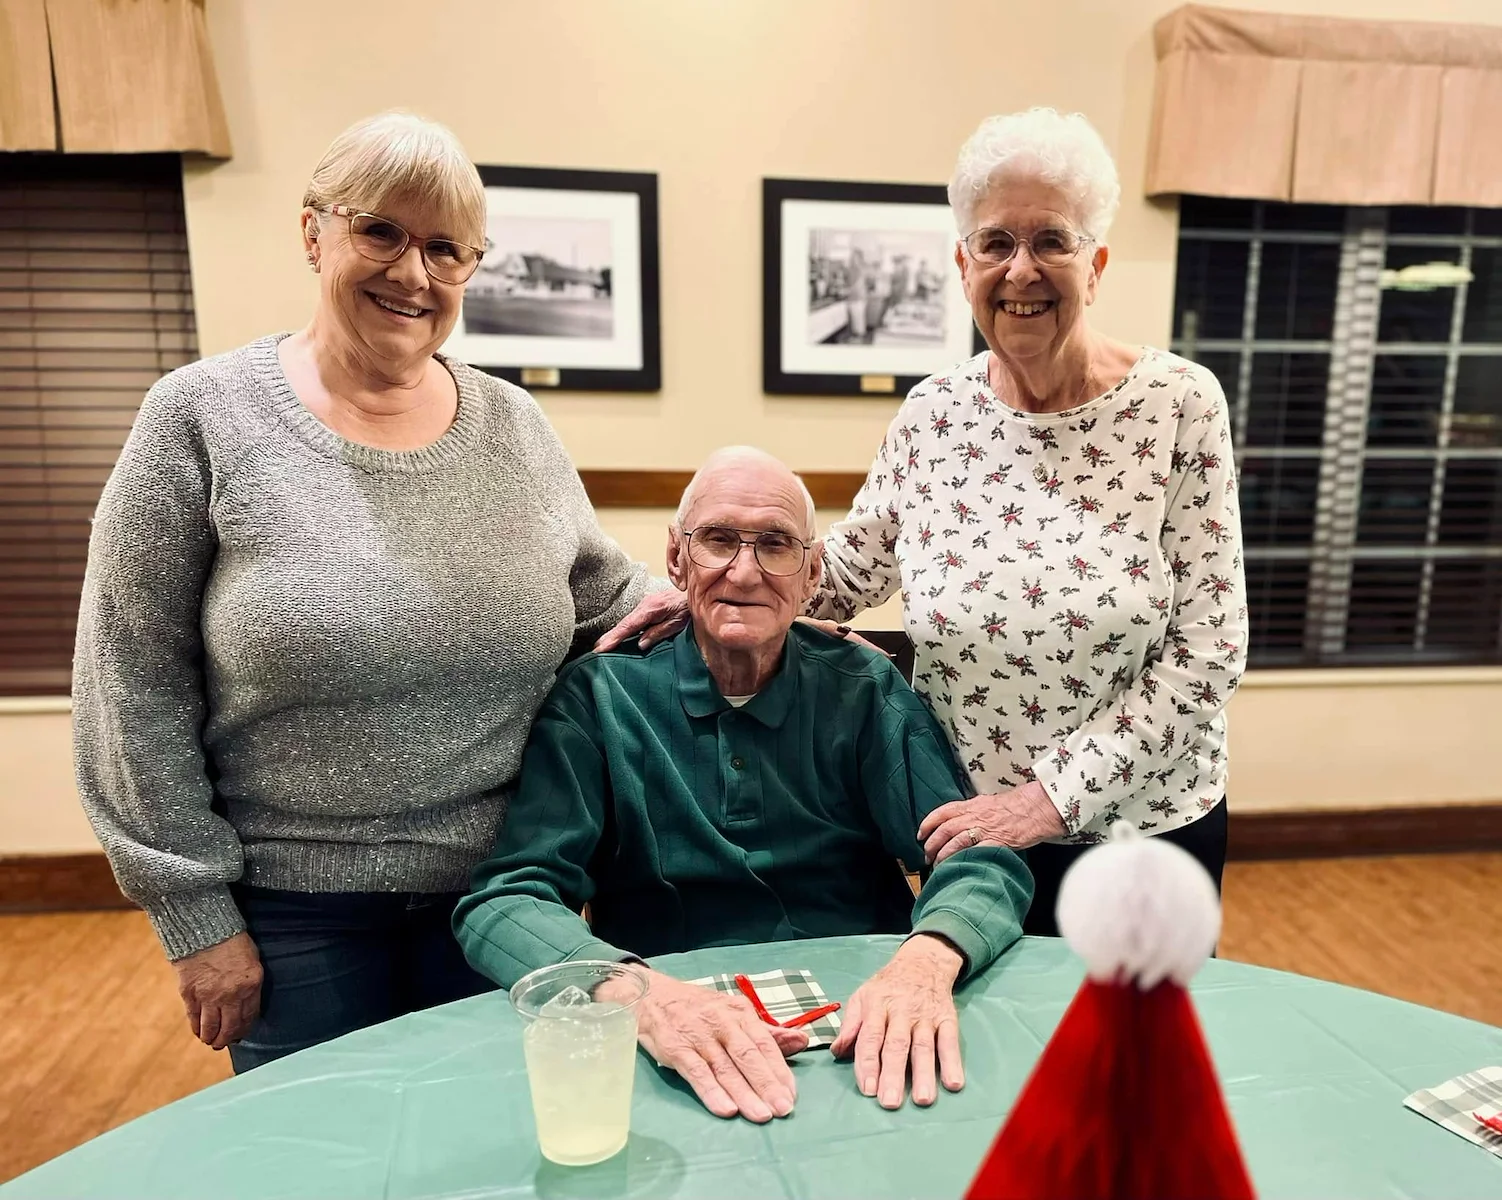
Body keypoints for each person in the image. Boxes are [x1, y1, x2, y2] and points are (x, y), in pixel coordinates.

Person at [72, 111, 650, 1071]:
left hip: (502, 901)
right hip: (292, 919)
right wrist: (193, 912)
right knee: (324, 1149)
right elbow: (129, 679)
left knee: (494, 1143)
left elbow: (612, 600)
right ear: (313, 232)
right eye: (381, 231)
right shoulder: (199, 417)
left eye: (446, 249)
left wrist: (763, 605)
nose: (413, 273)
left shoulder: (513, 426)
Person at [599, 107, 1248, 937]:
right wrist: (709, 591)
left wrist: (1047, 800)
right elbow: (844, 573)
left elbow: (1209, 651)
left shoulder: (1178, 403)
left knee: (1127, 1027)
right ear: (962, 263)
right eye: (995, 243)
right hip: (965, 832)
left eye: (1051, 240)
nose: (1021, 269)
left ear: (1096, 265)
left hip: (1140, 832)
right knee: (971, 1021)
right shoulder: (935, 412)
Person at [455, 447, 1033, 1120]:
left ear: (811, 574)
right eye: (719, 539)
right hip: (672, 1032)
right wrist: (640, 995)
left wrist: (926, 962)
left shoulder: (863, 689)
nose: (745, 571)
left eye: (776, 545)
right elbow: (507, 900)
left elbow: (979, 856)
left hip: (862, 1023)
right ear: (676, 559)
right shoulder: (600, 698)